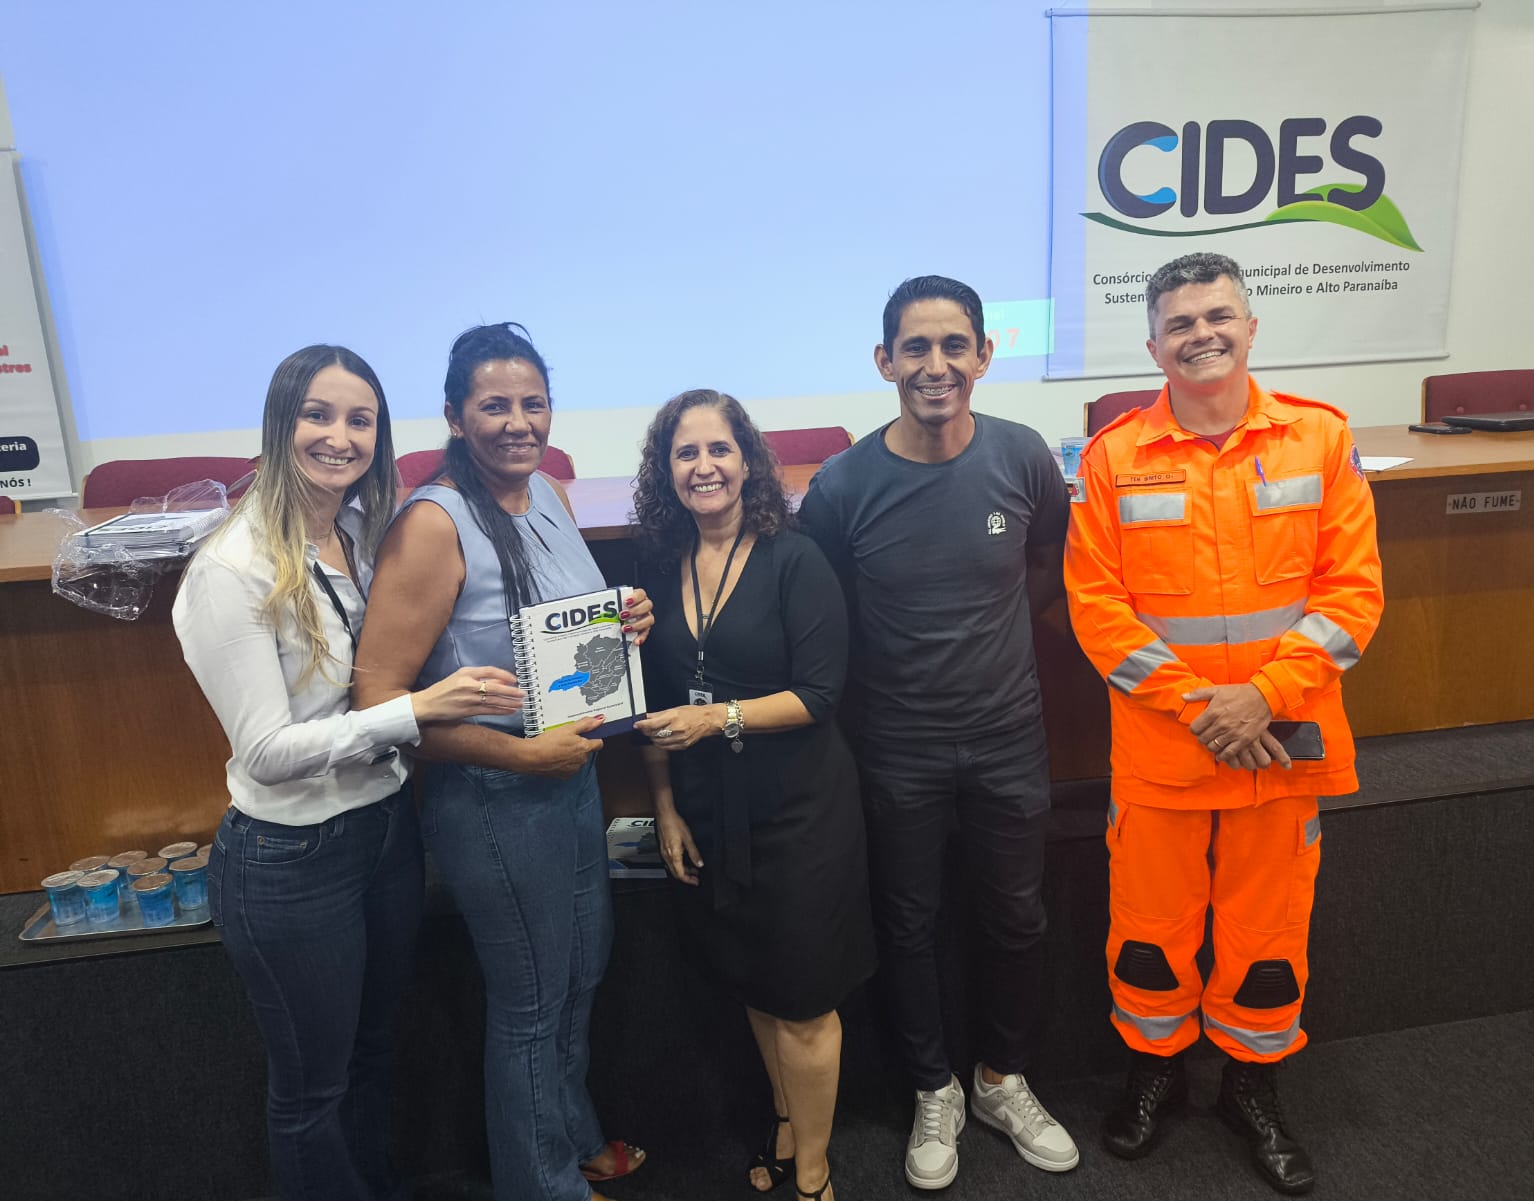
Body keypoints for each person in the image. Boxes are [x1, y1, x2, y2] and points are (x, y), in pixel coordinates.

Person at [174, 344, 526, 1201]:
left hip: (382, 829)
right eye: (318, 415)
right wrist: (417, 710)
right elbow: (265, 751)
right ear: (280, 423)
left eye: (360, 420)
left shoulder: (365, 531)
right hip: (291, 856)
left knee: (373, 1054)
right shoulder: (231, 568)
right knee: (312, 1092)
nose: (340, 436)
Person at [1065, 252, 1384, 1195]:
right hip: (1167, 749)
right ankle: (1154, 1072)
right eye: (1180, 323)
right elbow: (1098, 611)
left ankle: (1253, 1087)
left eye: (1217, 317)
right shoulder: (1112, 457)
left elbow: (1353, 596)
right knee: (1150, 930)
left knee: (1268, 931)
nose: (1201, 335)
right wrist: (1206, 706)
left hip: (1281, 744)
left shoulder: (1319, 439)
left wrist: (1265, 695)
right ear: (1152, 345)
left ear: (1250, 327)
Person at [352, 323, 652, 1201]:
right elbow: (379, 706)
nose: (519, 422)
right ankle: (541, 1185)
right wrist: (520, 757)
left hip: (568, 775)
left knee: (580, 974)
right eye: (494, 405)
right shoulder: (433, 523)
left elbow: (559, 636)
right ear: (454, 415)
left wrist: (623, 622)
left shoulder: (546, 491)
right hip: (492, 795)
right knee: (531, 1002)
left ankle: (570, 1138)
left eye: (533, 403)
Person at [798, 276, 1078, 1188]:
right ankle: (933, 1088)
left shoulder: (1023, 456)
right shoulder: (841, 486)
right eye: (915, 347)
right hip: (897, 745)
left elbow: (1045, 569)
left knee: (1018, 914)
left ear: (985, 355)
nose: (936, 364)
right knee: (908, 922)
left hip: (1008, 735)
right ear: (884, 361)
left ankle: (1001, 1079)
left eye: (955, 344)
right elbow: (828, 614)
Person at [631, 390, 875, 1201]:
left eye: (719, 449)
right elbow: (651, 703)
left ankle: (814, 1174)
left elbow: (820, 694)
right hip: (709, 806)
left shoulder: (794, 559)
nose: (704, 466)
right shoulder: (657, 568)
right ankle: (785, 1118)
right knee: (755, 983)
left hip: (799, 811)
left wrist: (716, 717)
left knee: (802, 1000)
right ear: (665, 471)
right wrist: (665, 806)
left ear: (748, 462)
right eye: (685, 452)